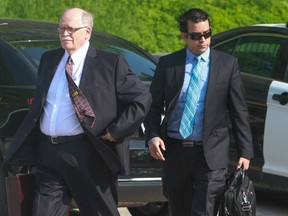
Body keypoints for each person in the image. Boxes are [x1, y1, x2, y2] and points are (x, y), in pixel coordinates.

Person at [3, 7, 151, 216]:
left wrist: (117, 131)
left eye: (71, 29)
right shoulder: (49, 60)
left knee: (99, 211)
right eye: (62, 28)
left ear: (87, 31)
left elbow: (141, 98)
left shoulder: (110, 63)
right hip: (49, 153)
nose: (65, 34)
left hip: (87, 152)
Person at [144, 8, 254, 216]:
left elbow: (239, 110)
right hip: (175, 151)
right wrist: (153, 135)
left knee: (204, 211)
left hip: (211, 152)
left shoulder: (227, 65)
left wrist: (245, 151)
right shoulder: (169, 64)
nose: (203, 40)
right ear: (184, 36)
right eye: (196, 36)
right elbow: (153, 105)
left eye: (207, 33)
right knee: (179, 210)